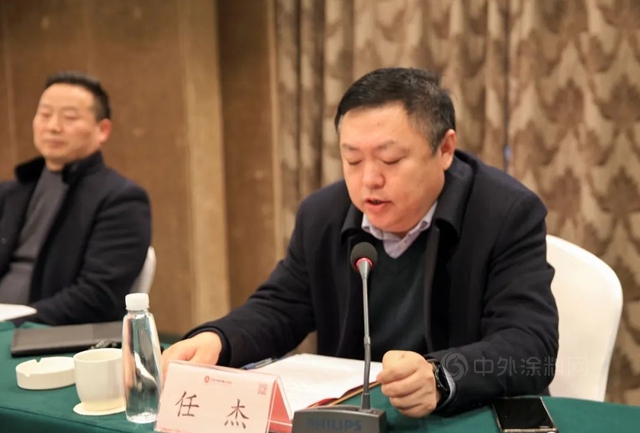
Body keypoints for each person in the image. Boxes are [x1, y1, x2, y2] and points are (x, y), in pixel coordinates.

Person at [162, 67, 558, 417]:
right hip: (356, 418)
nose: (369, 179)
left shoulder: (505, 213)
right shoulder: (322, 214)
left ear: (445, 149)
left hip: (462, 414)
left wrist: (441, 375)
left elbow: (529, 344)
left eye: (390, 160)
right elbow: (281, 307)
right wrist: (218, 340)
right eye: (352, 160)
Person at [0, 71, 151, 326]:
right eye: (44, 114)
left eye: (69, 117)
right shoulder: (11, 191)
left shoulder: (121, 199)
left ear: (102, 130)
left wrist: (15, 321)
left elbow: (98, 296)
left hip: (47, 334)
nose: (53, 126)